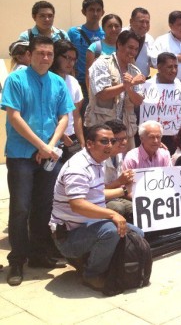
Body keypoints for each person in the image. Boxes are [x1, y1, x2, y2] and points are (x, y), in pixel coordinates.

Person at [1, 36, 75, 286]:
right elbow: (14, 117)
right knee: (21, 208)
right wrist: (42, 146)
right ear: (29, 55)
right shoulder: (16, 80)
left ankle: (38, 254)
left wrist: (50, 146)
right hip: (21, 155)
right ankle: (17, 260)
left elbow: (64, 116)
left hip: (48, 155)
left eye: (49, 54)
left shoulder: (57, 82)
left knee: (44, 206)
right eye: (41, 53)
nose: (45, 58)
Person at [50, 124, 144, 291]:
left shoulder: (97, 160)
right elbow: (77, 204)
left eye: (112, 141)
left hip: (89, 227)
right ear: (89, 144)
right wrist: (111, 214)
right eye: (104, 141)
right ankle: (91, 274)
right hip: (69, 236)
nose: (109, 145)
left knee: (137, 234)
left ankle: (95, 260)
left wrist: (123, 190)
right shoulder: (78, 168)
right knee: (112, 229)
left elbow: (97, 194)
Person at [85, 31, 145, 149]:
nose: (133, 52)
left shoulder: (135, 71)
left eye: (136, 49)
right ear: (119, 45)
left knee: (125, 166)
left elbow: (138, 101)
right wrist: (128, 84)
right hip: (102, 130)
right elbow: (101, 94)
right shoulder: (102, 63)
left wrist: (129, 88)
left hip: (126, 131)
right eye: (130, 47)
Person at [50, 40, 85, 161]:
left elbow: (77, 115)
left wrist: (82, 142)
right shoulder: (46, 80)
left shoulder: (73, 82)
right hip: (50, 139)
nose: (71, 62)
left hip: (71, 140)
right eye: (67, 58)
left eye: (74, 59)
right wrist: (61, 135)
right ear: (56, 56)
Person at [67, 0, 105, 98]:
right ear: (84, 12)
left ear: (103, 12)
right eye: (91, 10)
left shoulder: (106, 33)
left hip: (101, 82)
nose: (95, 13)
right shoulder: (73, 32)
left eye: (98, 10)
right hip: (80, 81)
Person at [103, 120, 134, 222]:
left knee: (137, 207)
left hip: (116, 196)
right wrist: (120, 182)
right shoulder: (100, 158)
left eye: (125, 138)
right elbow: (97, 192)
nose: (124, 142)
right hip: (98, 201)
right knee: (118, 207)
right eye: (119, 139)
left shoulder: (119, 155)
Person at [85, 14, 123, 90]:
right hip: (100, 94)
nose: (113, 29)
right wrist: (91, 96)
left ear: (121, 28)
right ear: (103, 28)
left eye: (116, 26)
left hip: (121, 92)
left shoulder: (124, 48)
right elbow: (88, 75)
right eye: (109, 26)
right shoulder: (95, 48)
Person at [128, 7, 154, 78]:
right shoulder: (121, 35)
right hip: (123, 82)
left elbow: (153, 63)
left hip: (143, 83)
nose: (144, 25)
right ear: (131, 21)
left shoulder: (150, 39)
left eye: (147, 22)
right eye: (141, 22)